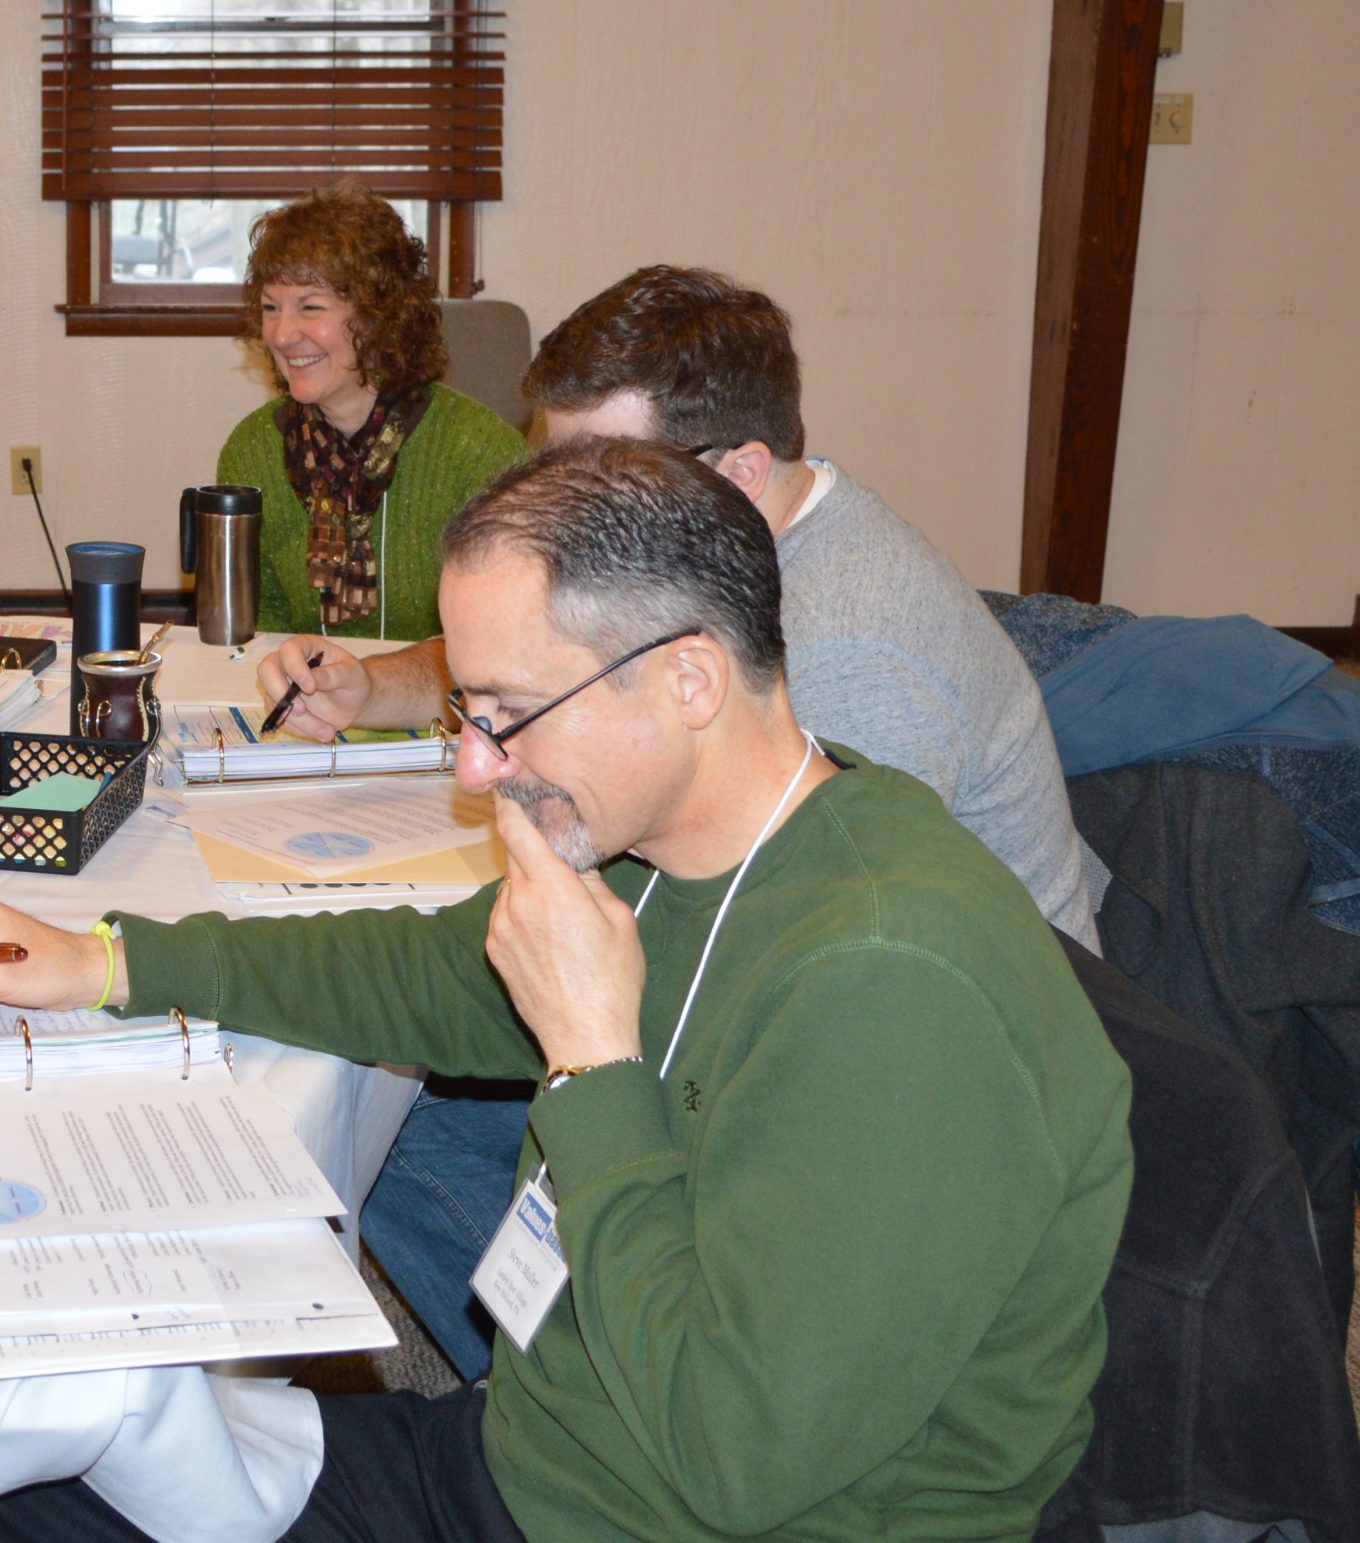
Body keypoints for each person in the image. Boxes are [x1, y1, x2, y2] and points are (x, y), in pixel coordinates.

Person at [0, 439, 1132, 1542]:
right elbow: (425, 968)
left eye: (507, 714)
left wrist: (594, 1063)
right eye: (465, 711)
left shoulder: (891, 983)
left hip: (663, 1504)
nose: (478, 767)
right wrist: (104, 960)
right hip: (534, 1460)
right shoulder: (684, 850)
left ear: (689, 680)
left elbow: (737, 1458)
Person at [263, 266, 1106, 1375]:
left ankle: (566, 1394)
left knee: (416, 1103)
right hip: (757, 974)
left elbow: (763, 966)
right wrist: (378, 688)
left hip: (885, 1077)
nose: (566, 518)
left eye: (605, 476)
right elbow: (548, 639)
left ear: (739, 471)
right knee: (409, 1038)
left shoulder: (849, 663)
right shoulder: (720, 546)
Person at [220, 179, 526, 642]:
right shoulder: (253, 452)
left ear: (380, 316)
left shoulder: (481, 455)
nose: (281, 335)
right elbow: (258, 631)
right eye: (270, 307)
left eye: (310, 306)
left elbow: (509, 639)